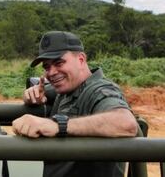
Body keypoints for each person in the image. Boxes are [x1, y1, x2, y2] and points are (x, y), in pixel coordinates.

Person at [12, 31, 138, 177]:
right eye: (46, 67)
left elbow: (126, 124)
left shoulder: (99, 89)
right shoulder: (66, 86)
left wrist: (57, 125)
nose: (51, 73)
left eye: (59, 63)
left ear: (81, 59)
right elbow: (39, 91)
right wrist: (30, 96)